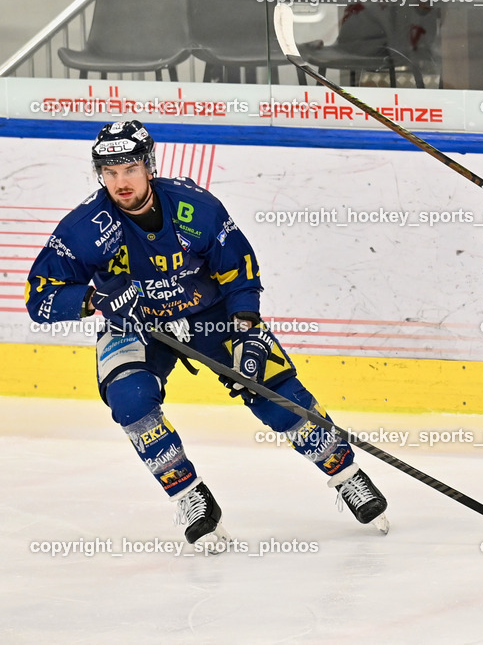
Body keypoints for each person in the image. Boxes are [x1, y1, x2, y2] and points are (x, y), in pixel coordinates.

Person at [25, 120, 389, 548]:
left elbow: (240, 273)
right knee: (130, 399)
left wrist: (248, 329)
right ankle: (189, 495)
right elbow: (39, 298)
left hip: (211, 314)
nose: (120, 182)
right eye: (109, 172)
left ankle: (346, 474)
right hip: (136, 323)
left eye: (129, 169)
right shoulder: (87, 227)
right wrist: (95, 301)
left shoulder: (194, 208)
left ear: (149, 166)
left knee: (273, 387)